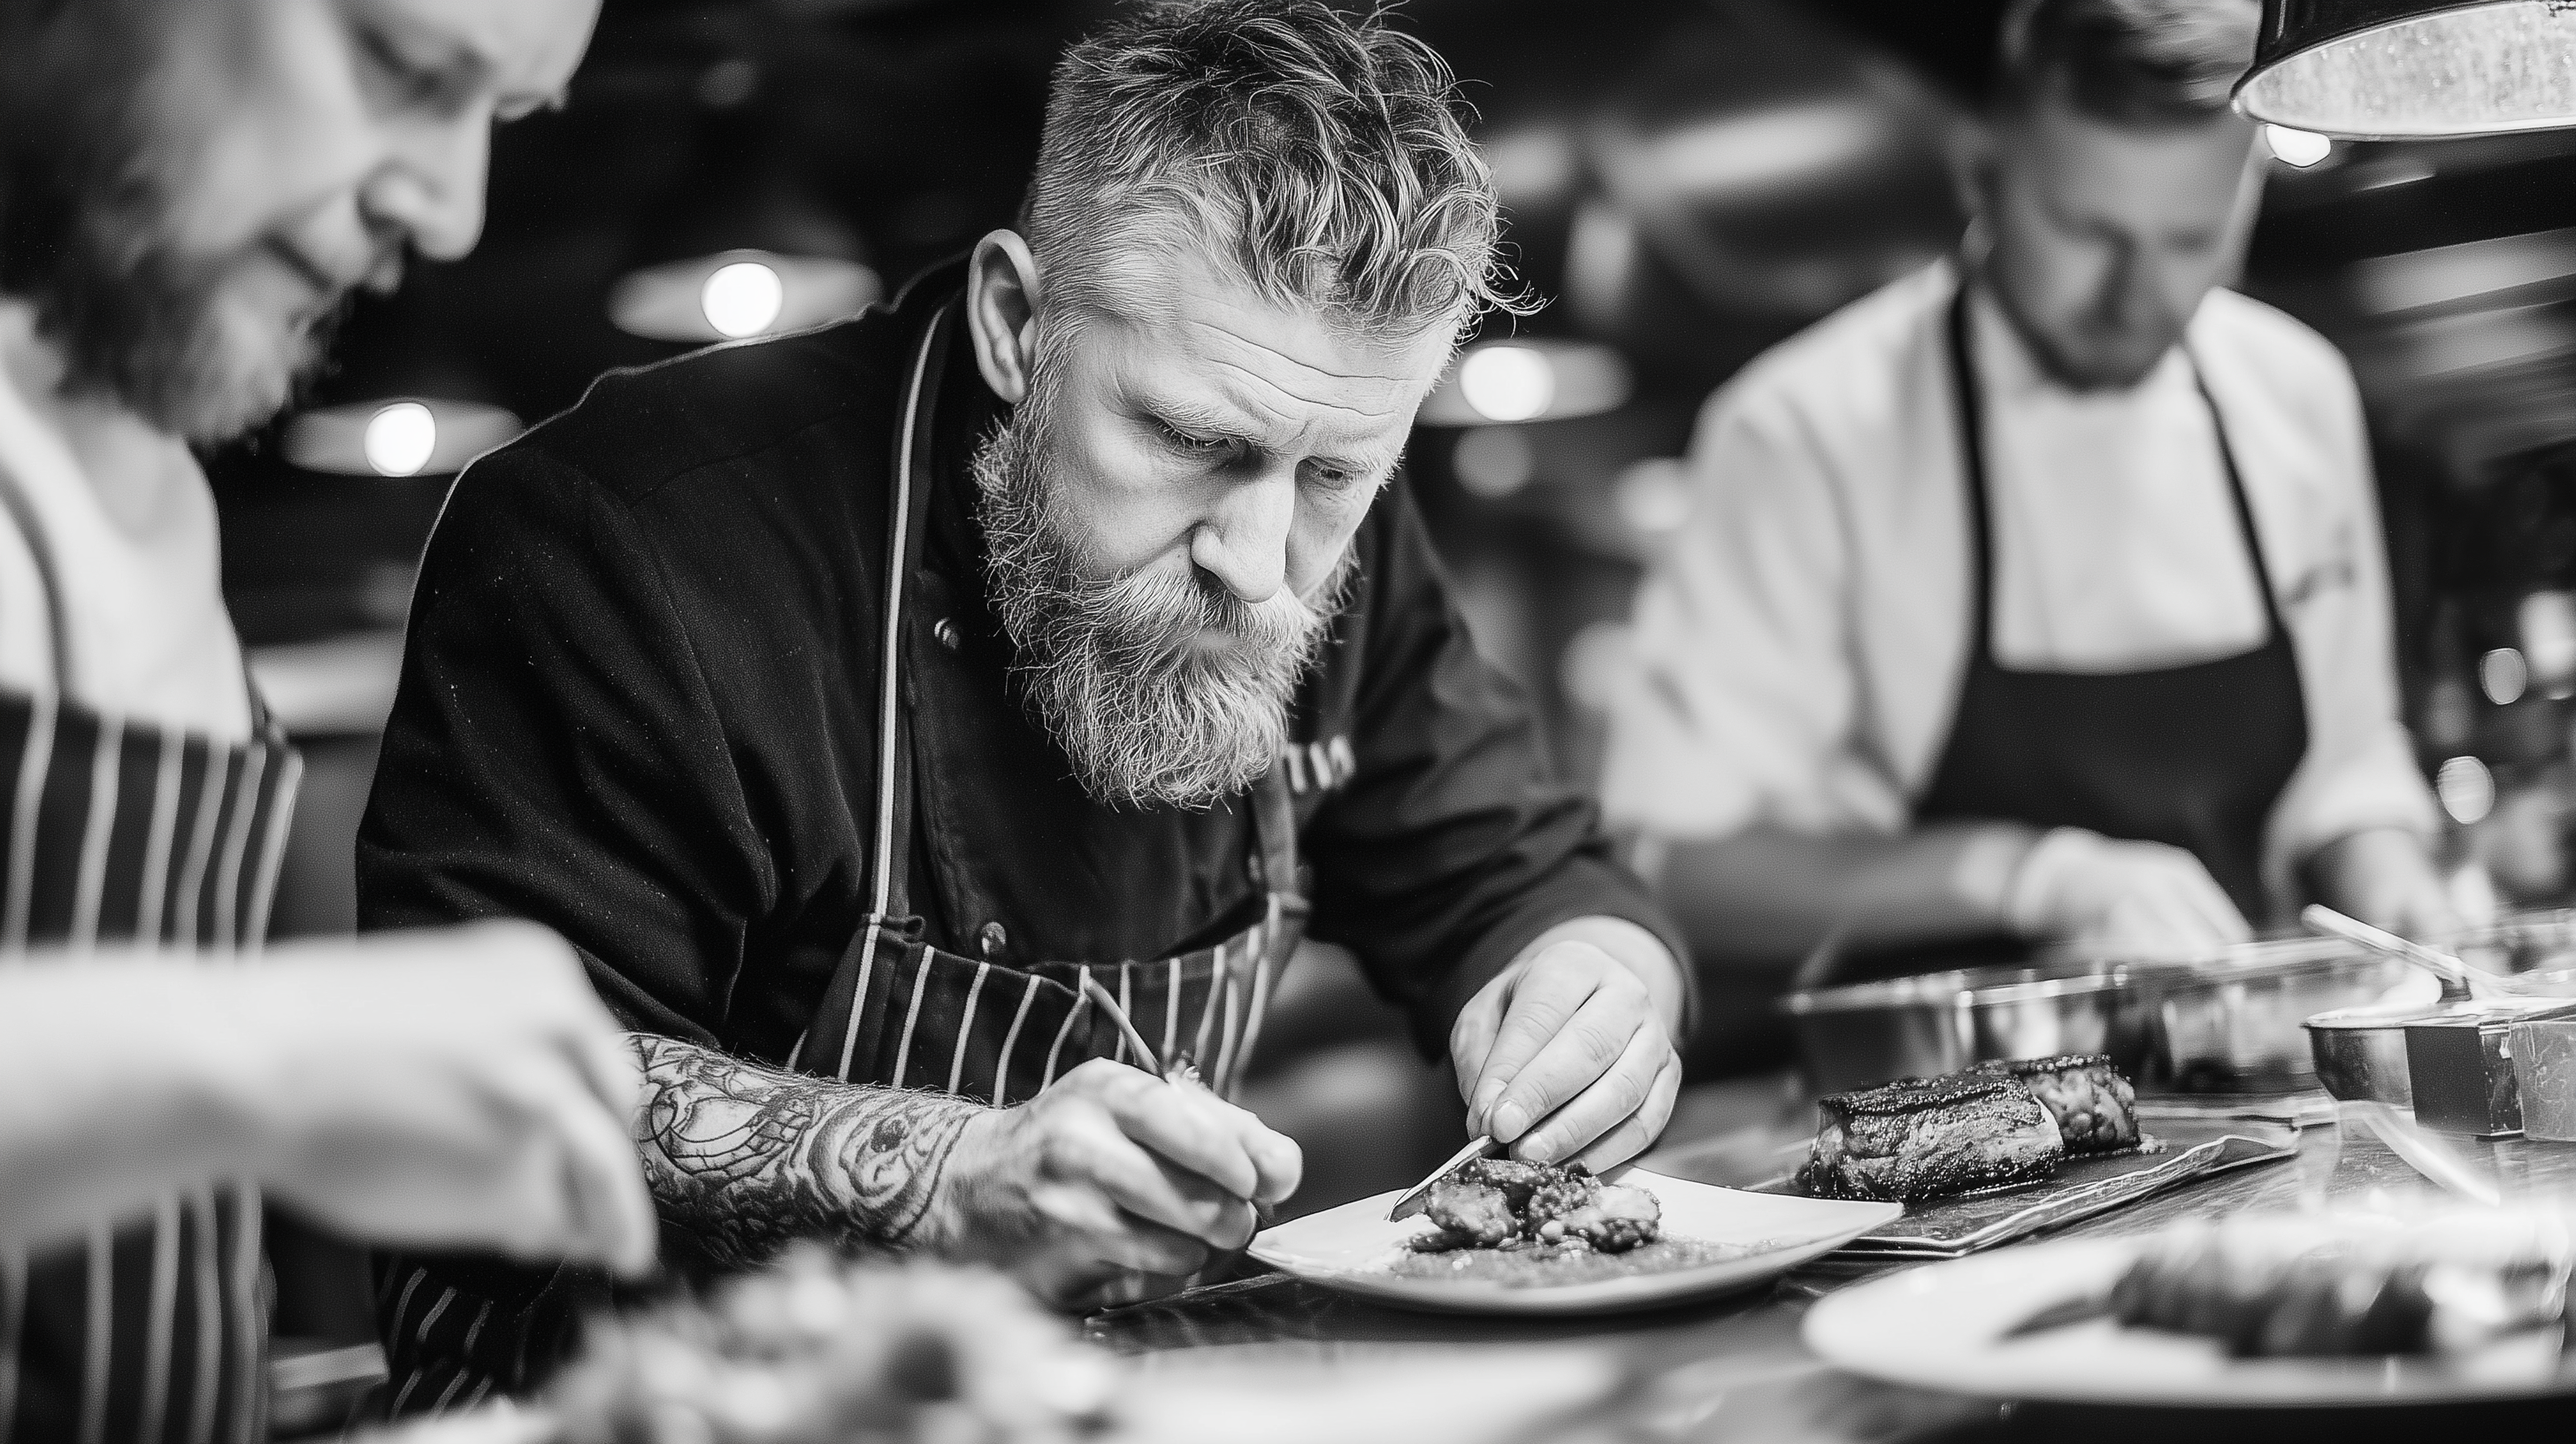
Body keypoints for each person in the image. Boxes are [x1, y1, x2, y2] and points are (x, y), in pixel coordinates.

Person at [357, 0, 1694, 1408]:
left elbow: (1532, 879)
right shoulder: (631, 545)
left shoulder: (1315, 534)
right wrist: (956, 1170)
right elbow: (461, 1071)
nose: (1255, 561)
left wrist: (1595, 1000)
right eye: (1189, 440)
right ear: (1015, 324)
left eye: (1333, 477)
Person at [0, 1, 655, 1439]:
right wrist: (264, 1057)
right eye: (406, 69)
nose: (457, 209)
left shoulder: (146, 484)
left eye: (510, 115)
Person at [1601, 0, 2453, 982]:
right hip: (1928, 1092)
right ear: (1981, 169)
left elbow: (2344, 766)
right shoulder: (1803, 431)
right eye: (2086, 231)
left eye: (2190, 241)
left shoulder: (2295, 395)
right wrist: (2031, 876)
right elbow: (1679, 867)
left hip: (2241, 1073)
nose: (2137, 299)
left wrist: (2388, 877)